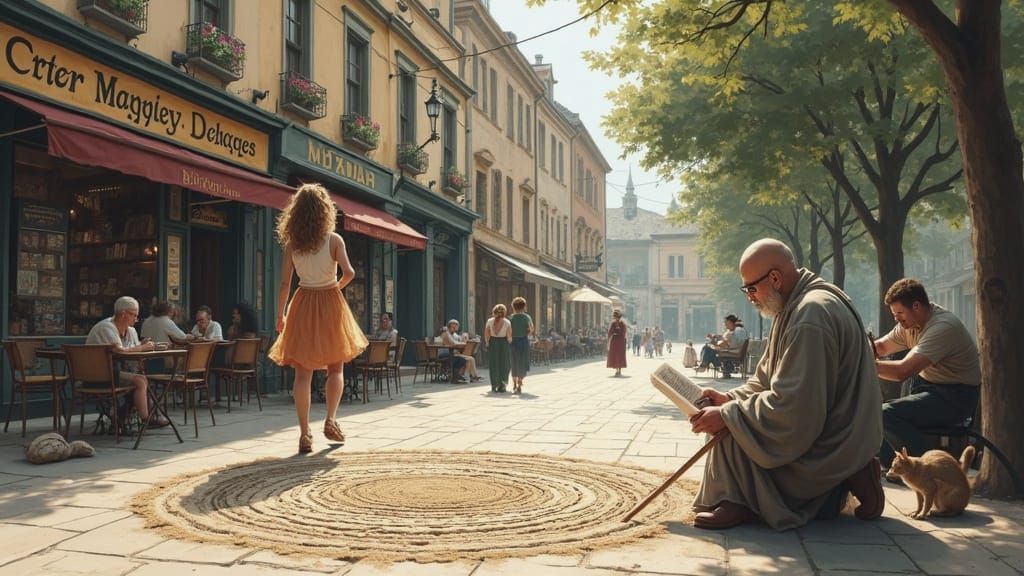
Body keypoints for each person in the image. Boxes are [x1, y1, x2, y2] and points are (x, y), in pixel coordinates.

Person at [689, 239, 883, 530]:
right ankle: (850, 473)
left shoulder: (810, 315)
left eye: (751, 289)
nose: (750, 298)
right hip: (836, 428)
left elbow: (795, 412)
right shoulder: (794, 305)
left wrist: (730, 415)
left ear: (775, 278)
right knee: (731, 415)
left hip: (831, 442)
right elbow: (766, 380)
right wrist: (728, 397)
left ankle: (738, 499)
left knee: (732, 432)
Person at [268, 183, 368, 454]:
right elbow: (349, 273)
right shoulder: (334, 240)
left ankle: (304, 434)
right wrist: (336, 286)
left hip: (302, 301)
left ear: (296, 212)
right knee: (336, 368)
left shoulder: (292, 244)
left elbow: (284, 284)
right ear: (325, 210)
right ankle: (331, 419)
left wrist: (281, 314)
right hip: (330, 301)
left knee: (303, 373)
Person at [873, 278, 981, 479]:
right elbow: (879, 348)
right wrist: (852, 350)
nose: (897, 319)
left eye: (899, 314)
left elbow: (902, 372)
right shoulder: (909, 324)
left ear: (916, 306)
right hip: (929, 390)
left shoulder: (942, 327)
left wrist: (865, 365)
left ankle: (934, 473)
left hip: (955, 398)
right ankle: (893, 468)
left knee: (885, 414)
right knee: (884, 412)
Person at [86, 296, 169, 428]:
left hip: (116, 372)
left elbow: (132, 351)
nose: (136, 319)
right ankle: (146, 420)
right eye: (134, 315)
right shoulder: (106, 327)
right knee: (140, 381)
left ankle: (122, 416)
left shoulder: (131, 331)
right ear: (123, 314)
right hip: (98, 376)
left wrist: (142, 345)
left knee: (142, 379)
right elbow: (120, 351)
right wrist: (142, 347)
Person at [484, 304, 512, 392]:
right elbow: (509, 337)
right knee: (504, 364)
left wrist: (487, 342)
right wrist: (510, 341)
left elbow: (487, 333)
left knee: (494, 364)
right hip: (503, 343)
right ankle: (502, 385)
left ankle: (494, 385)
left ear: (494, 311)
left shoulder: (489, 321)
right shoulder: (507, 322)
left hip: (493, 343)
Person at [509, 297, 534, 394]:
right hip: (523, 341)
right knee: (522, 362)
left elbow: (508, 331)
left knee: (514, 361)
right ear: (524, 307)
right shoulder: (527, 317)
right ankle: (520, 382)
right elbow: (531, 329)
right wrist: (527, 333)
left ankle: (514, 383)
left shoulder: (510, 318)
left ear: (513, 307)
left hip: (513, 342)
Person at [606, 310, 628, 376]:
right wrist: (609, 338)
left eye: (615, 316)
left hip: (620, 341)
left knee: (620, 355)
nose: (615, 318)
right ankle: (616, 370)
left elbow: (624, 332)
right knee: (615, 355)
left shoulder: (622, 323)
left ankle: (619, 370)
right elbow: (610, 332)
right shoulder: (613, 323)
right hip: (615, 341)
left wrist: (618, 330)